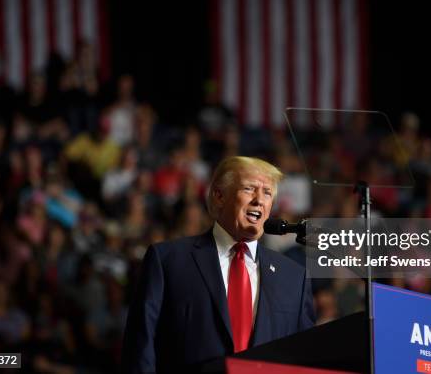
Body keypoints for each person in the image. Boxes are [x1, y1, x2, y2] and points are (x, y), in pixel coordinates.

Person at [122, 156, 315, 372]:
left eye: (267, 193)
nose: (259, 200)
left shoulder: (294, 278)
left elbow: (303, 358)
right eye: (249, 189)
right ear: (219, 195)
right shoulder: (168, 260)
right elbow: (140, 347)